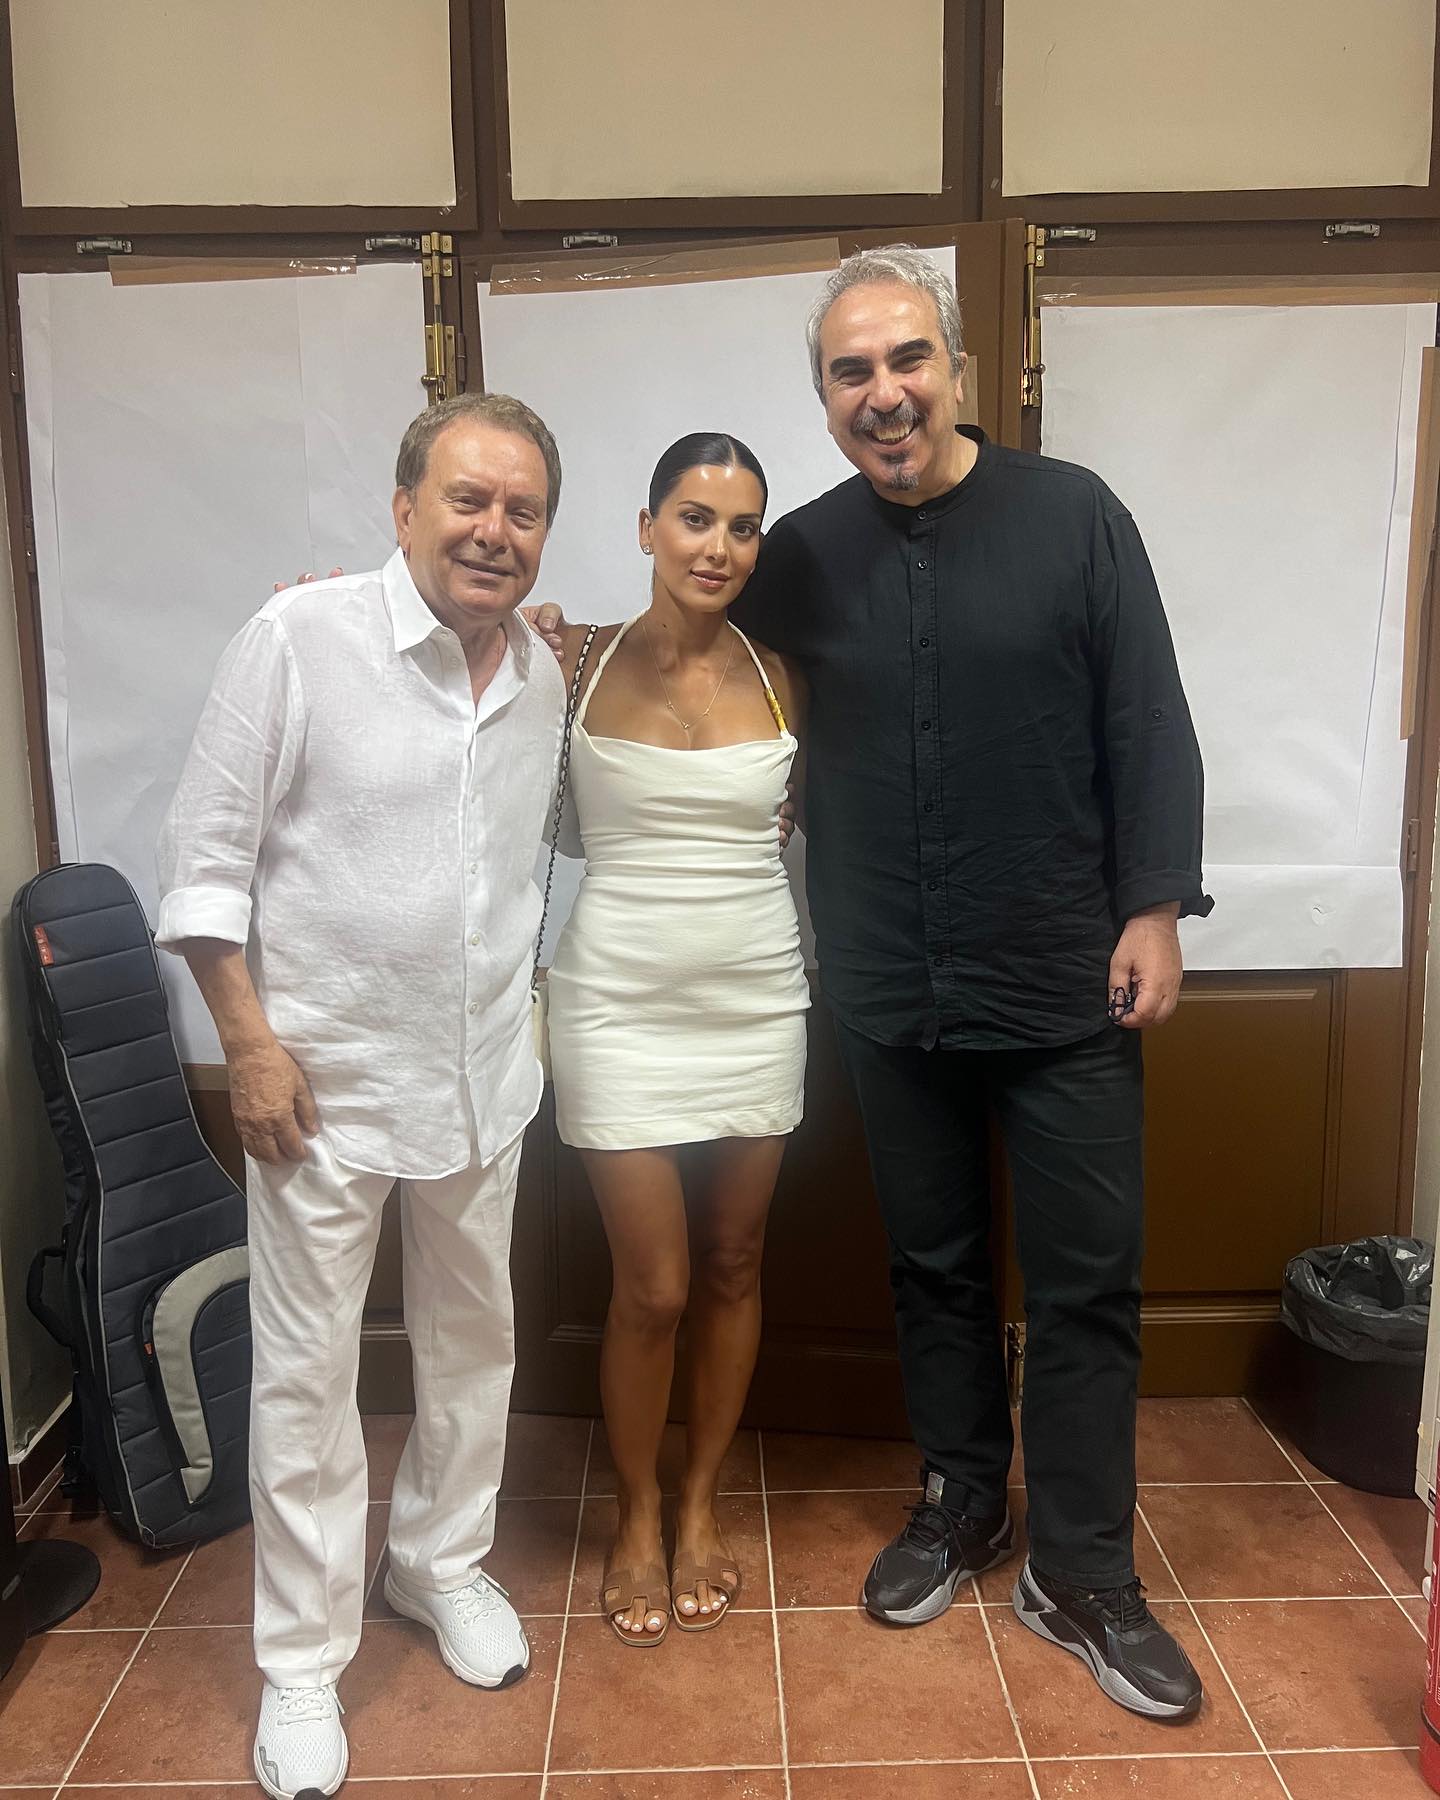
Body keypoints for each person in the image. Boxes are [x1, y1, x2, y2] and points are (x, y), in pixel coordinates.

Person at [531, 246, 1211, 1720]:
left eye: (907, 360)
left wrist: (1154, 906)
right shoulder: (801, 554)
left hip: (1064, 972)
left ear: (954, 365)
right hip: (891, 979)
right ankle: (962, 1501)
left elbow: (1148, 714)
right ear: (826, 395)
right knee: (934, 1267)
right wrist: (529, 641)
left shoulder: (1076, 515)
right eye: (852, 372)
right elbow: (689, 649)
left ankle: (1084, 1570)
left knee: (1086, 1283)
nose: (885, 393)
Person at [156, 391, 567, 1799]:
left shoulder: (542, 676)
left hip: (482, 1082)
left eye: (522, 510)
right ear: (403, 509)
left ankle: (437, 1565)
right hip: (318, 1092)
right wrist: (248, 1044)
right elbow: (204, 860)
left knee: (473, 1349)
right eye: (467, 499)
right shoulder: (297, 638)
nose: (493, 530)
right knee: (306, 1379)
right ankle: (301, 1664)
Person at [547, 432, 807, 1644]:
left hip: (757, 996)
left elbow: (801, 823)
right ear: (647, 527)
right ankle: (635, 1510)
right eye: (696, 519)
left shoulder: (785, 675)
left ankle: (700, 1502)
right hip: (614, 1001)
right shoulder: (571, 660)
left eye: (743, 527)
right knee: (651, 1286)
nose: (719, 547)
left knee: (735, 1263)